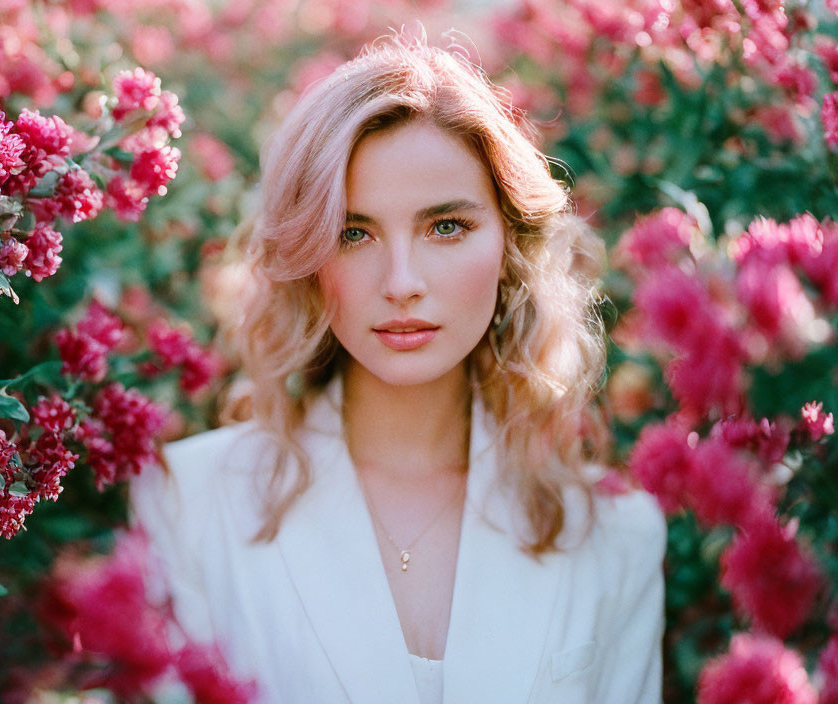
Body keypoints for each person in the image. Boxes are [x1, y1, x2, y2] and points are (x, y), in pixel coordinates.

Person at [130, 31, 666, 704]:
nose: (403, 282)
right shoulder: (190, 503)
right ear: (308, 257)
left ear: (509, 243)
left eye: (446, 227)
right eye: (354, 233)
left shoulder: (616, 535)